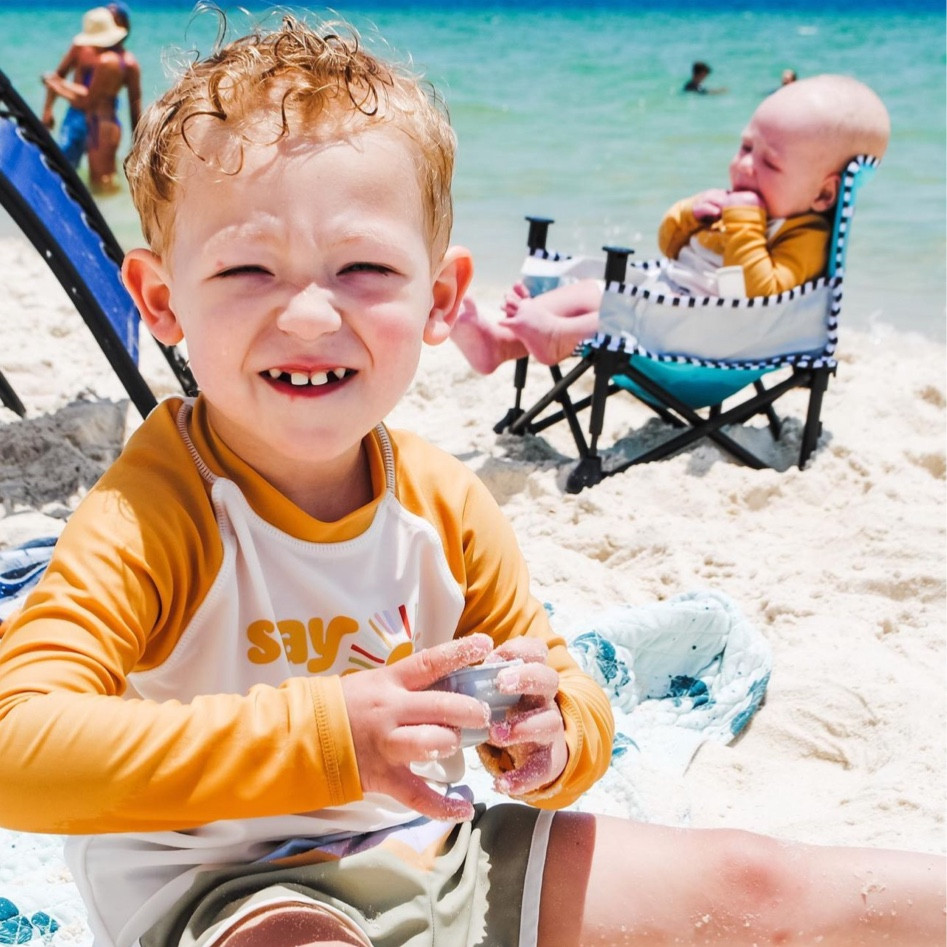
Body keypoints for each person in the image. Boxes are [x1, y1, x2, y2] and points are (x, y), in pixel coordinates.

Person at [0, 18, 941, 947]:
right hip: (228, 888)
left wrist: (553, 731)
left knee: (757, 879)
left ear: (442, 298)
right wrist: (328, 736)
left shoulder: (441, 502)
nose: (310, 312)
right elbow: (18, 747)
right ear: (162, 299)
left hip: (441, 852)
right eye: (248, 267)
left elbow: (556, 675)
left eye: (364, 266)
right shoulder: (156, 508)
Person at [453, 74, 890, 371]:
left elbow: (754, 293)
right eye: (744, 147)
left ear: (824, 194)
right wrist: (689, 214)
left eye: (769, 164)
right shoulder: (745, 209)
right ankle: (500, 339)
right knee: (593, 290)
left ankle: (555, 338)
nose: (744, 167)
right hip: (677, 301)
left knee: (623, 309)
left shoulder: (804, 236)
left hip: (717, 332)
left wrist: (743, 221)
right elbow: (671, 248)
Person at [42, 5, 141, 193]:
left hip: (101, 123)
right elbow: (61, 75)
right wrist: (48, 109)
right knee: (64, 172)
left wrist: (56, 85)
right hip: (86, 119)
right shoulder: (82, 49)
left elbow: (132, 104)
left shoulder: (121, 62)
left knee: (100, 181)